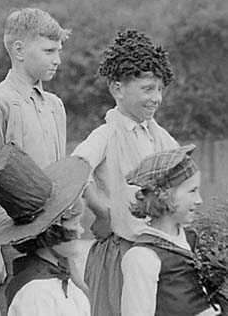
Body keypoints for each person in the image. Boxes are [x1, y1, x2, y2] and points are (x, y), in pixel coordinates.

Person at [71, 29, 179, 316]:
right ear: (117, 89)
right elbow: (77, 168)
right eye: (147, 89)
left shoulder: (163, 139)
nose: (155, 98)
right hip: (119, 254)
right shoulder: (106, 135)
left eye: (159, 89)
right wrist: (102, 211)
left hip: (159, 254)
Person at [0, 7, 71, 313]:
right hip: (10, 240)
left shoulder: (55, 106)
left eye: (59, 50)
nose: (57, 59)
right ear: (18, 50)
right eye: (48, 50)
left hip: (50, 237)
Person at [0, 142, 91, 316]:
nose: (81, 231)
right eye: (74, 224)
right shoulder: (35, 293)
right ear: (52, 231)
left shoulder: (61, 283)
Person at [121, 145, 217, 316]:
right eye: (192, 191)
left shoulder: (194, 241)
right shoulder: (142, 257)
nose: (199, 200)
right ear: (165, 195)